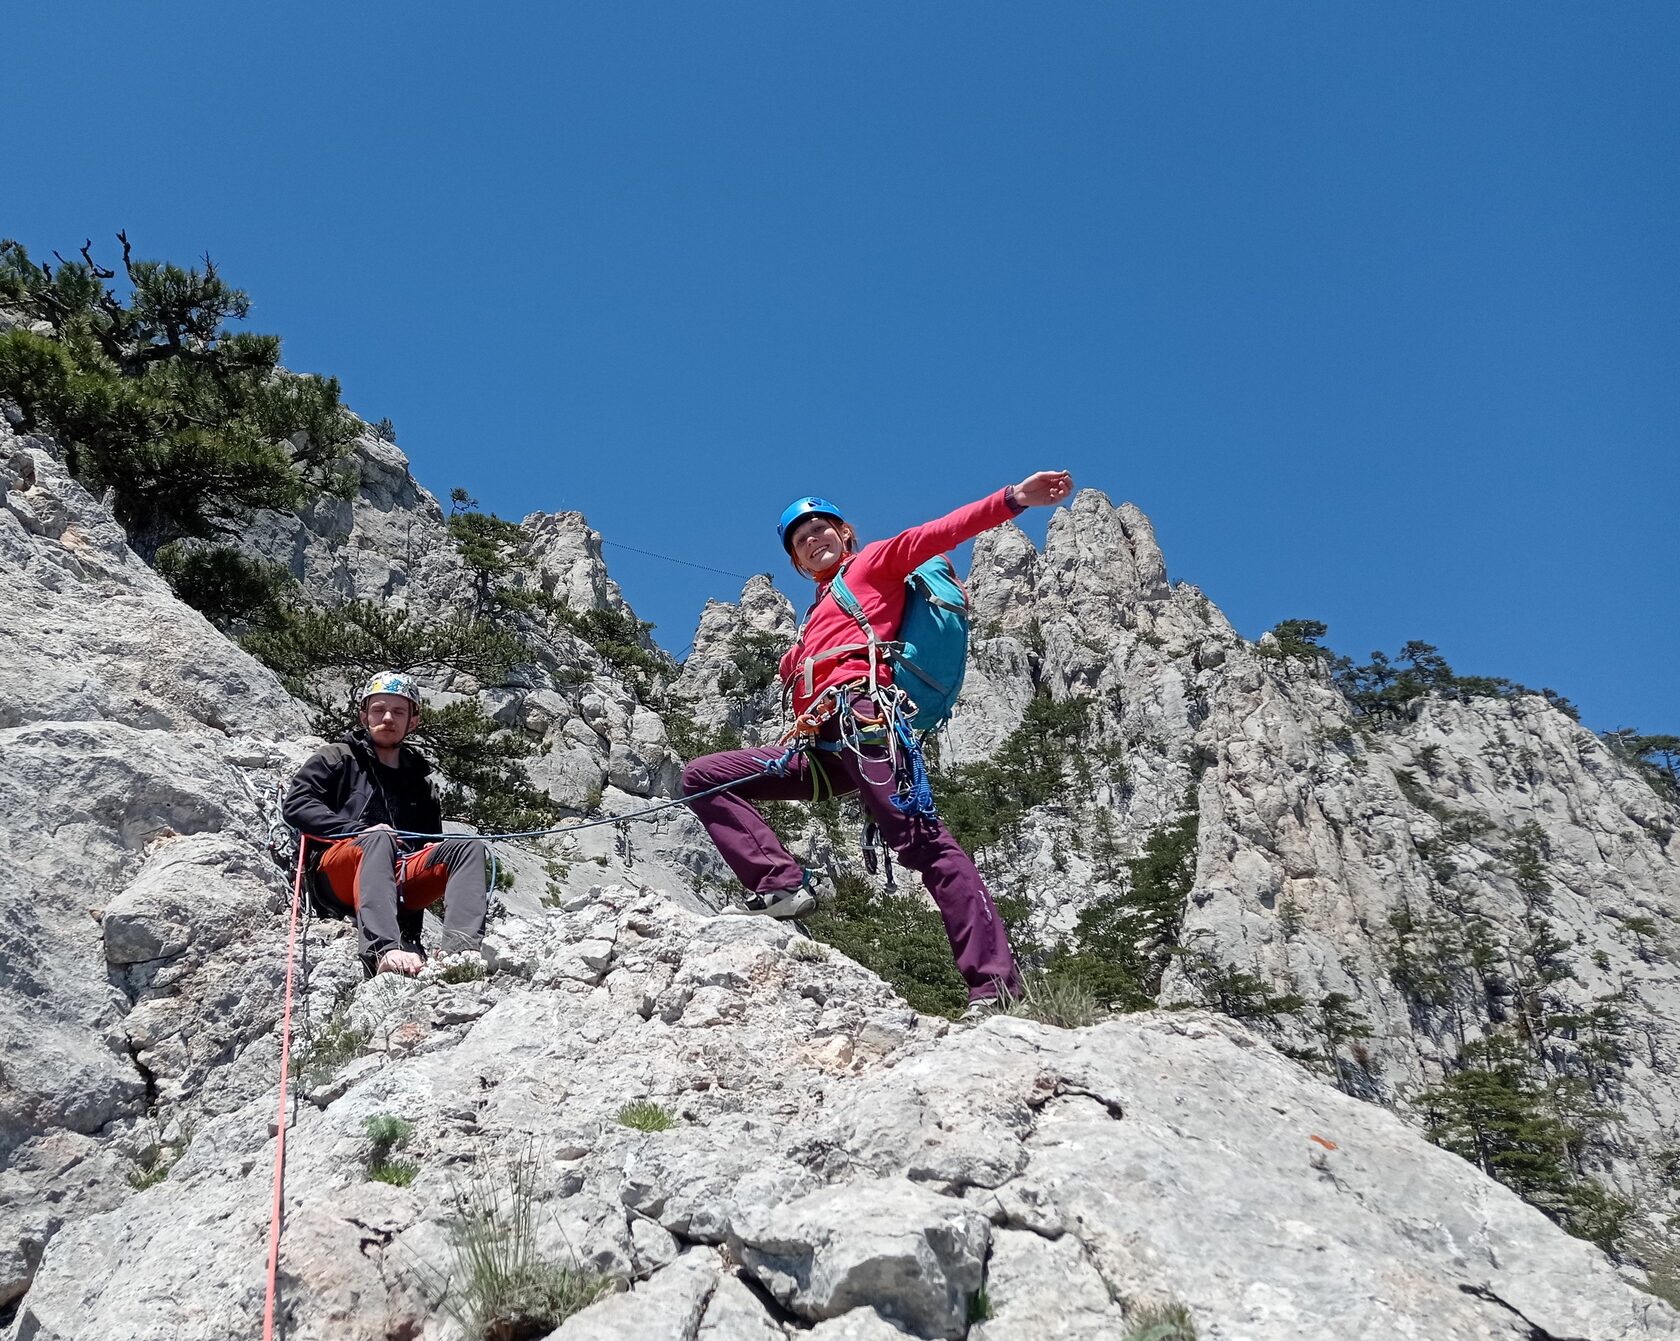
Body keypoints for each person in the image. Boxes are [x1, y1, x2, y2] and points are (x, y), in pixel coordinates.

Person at [681, 470, 1074, 1016]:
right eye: (800, 539)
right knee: (703, 775)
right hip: (819, 748)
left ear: (845, 535)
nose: (812, 539)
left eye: (820, 528)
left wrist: (1014, 499)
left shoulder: (870, 567)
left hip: (867, 724)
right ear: (796, 561)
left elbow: (936, 533)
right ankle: (782, 886)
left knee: (923, 845)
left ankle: (995, 986)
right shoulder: (814, 616)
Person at [283, 671, 489, 976]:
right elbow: (297, 805)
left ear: (413, 721)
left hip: (397, 875)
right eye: (378, 710)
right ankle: (383, 949)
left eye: (399, 711)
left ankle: (459, 952)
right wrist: (358, 830)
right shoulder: (337, 758)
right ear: (364, 715)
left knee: (466, 848)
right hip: (339, 868)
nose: (388, 718)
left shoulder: (419, 783)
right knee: (379, 839)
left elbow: (429, 841)